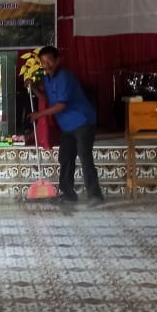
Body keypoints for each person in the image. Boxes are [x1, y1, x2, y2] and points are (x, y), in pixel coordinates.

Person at [28, 45, 103, 204]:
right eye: (43, 62)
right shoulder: (47, 79)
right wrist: (33, 87)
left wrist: (38, 115)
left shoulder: (64, 77)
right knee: (66, 158)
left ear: (58, 61)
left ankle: (95, 195)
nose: (47, 65)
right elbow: (46, 98)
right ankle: (68, 194)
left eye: (50, 61)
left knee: (85, 157)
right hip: (67, 127)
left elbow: (61, 105)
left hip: (82, 122)